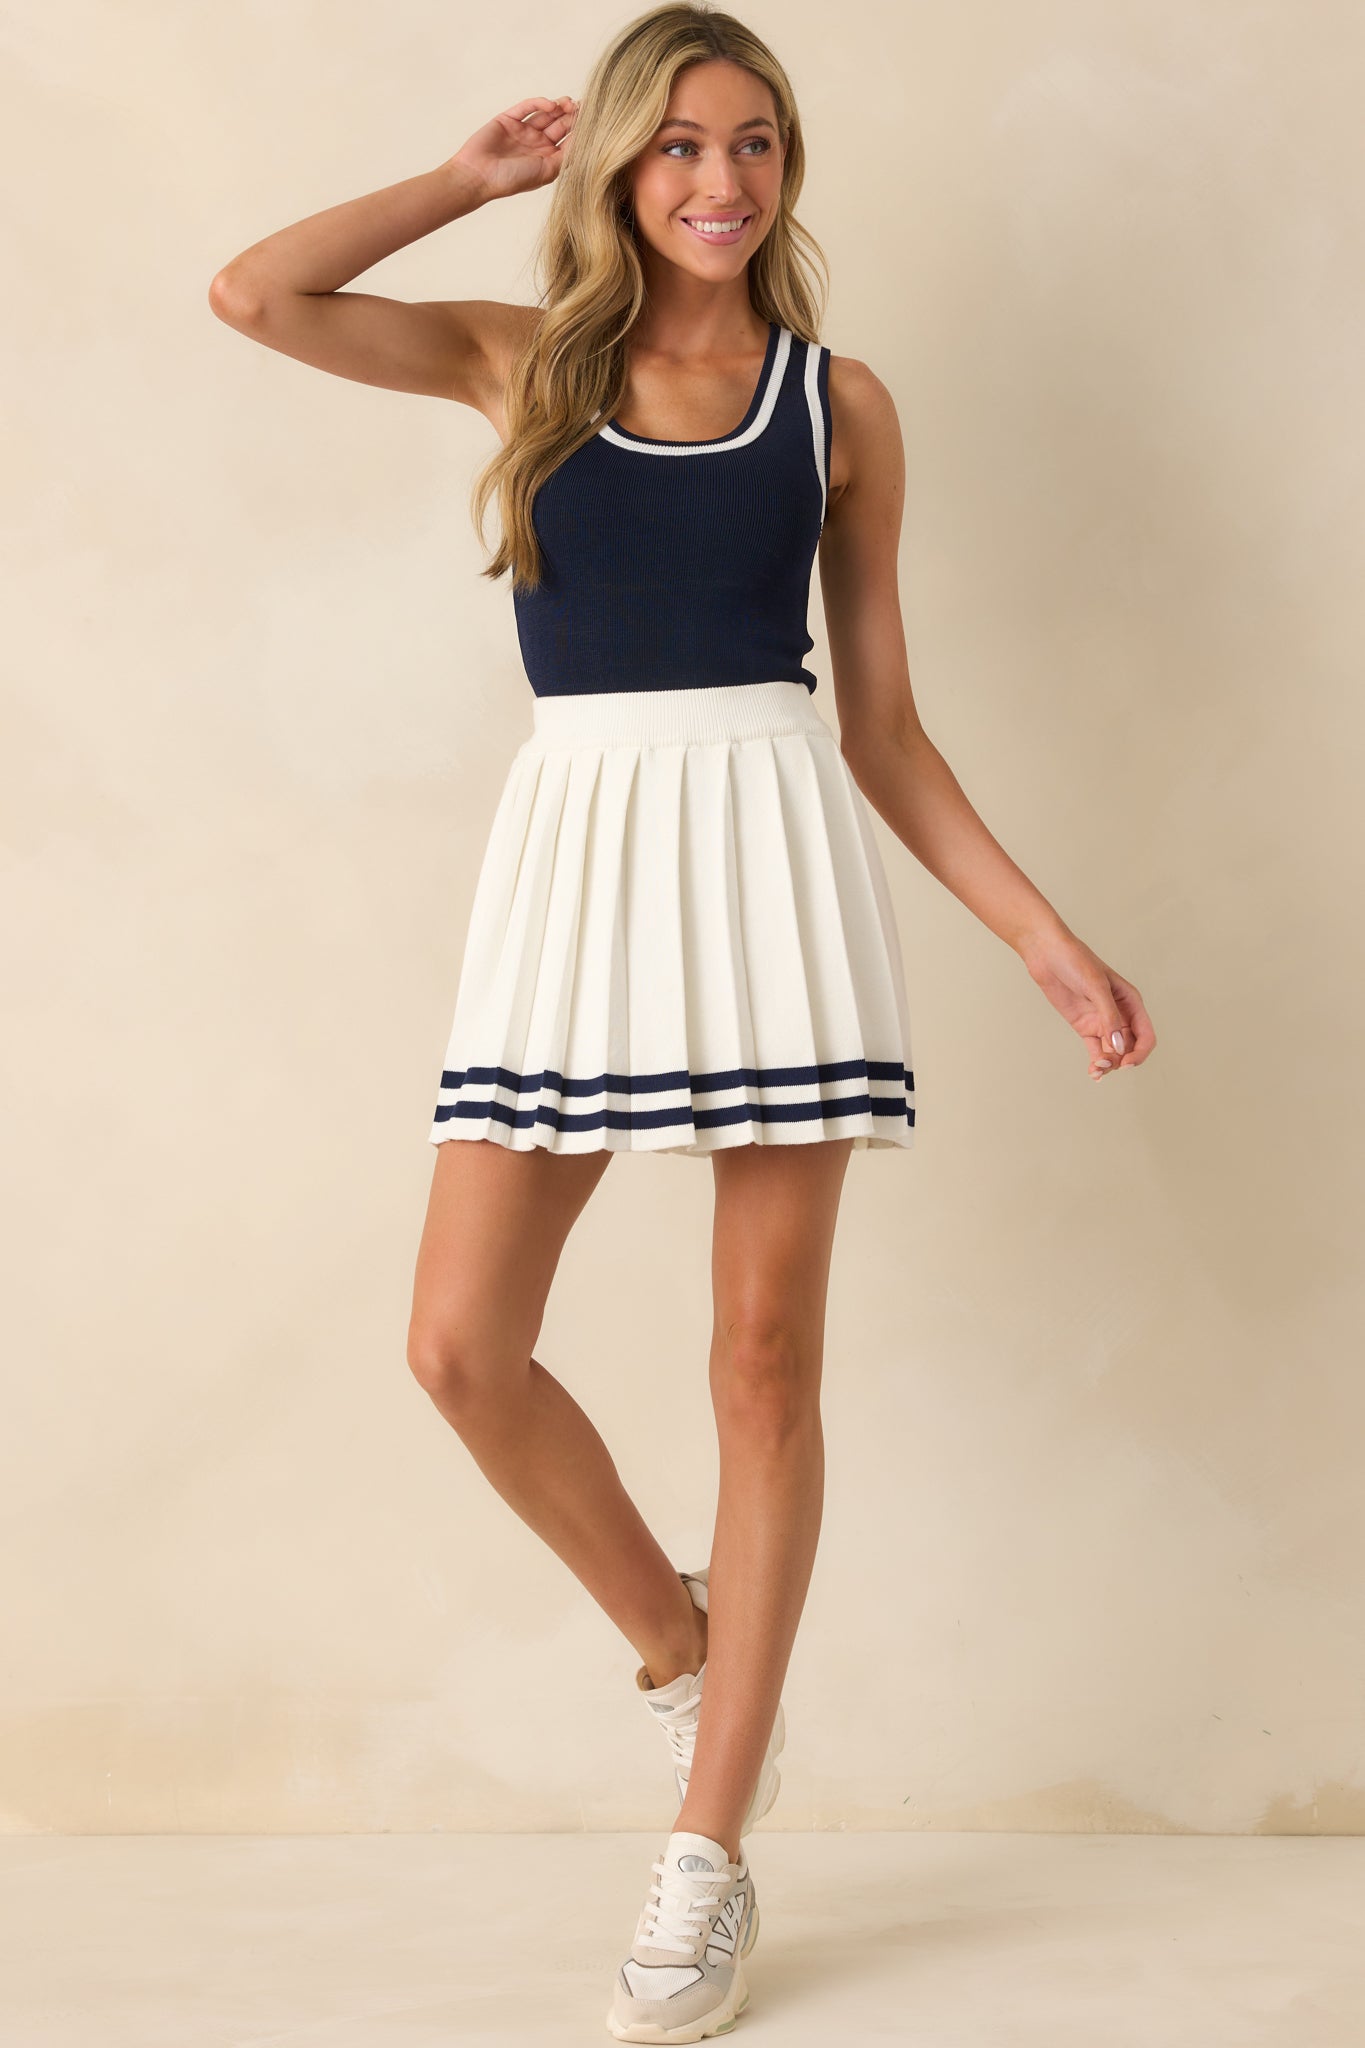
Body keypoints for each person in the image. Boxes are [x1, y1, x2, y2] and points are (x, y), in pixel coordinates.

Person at [208, 4, 1156, 2038]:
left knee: (757, 1360)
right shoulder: (518, 360)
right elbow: (255, 295)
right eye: (677, 147)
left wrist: (1040, 940)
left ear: (783, 168)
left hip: (770, 858)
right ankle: (685, 1647)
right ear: (618, 167)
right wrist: (464, 178)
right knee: (459, 1344)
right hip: (577, 863)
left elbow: (882, 729)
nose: (719, 182)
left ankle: (704, 1853)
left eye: (753, 144)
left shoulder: (837, 404)